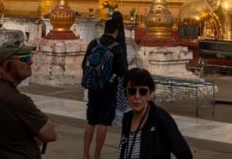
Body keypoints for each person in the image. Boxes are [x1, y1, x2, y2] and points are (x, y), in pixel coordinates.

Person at [0, 41, 57, 158]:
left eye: (30, 57)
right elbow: (50, 134)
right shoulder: (18, 101)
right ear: (8, 65)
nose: (31, 62)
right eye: (25, 58)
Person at [118, 68, 192, 159]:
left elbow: (184, 154)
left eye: (143, 91)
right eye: (132, 91)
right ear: (126, 93)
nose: (137, 96)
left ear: (150, 93)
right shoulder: (127, 118)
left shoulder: (161, 119)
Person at [82, 17, 129, 159]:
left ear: (104, 30)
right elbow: (123, 71)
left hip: (93, 87)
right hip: (109, 88)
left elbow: (84, 64)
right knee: (103, 122)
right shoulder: (116, 48)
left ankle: (85, 154)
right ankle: (97, 155)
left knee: (91, 121)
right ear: (116, 32)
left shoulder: (93, 43)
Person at [111, 10, 131, 121]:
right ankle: (121, 108)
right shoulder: (122, 33)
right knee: (120, 88)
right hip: (122, 64)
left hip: (116, 64)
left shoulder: (115, 34)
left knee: (116, 88)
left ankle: (116, 108)